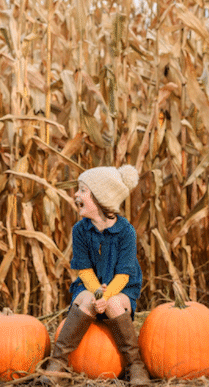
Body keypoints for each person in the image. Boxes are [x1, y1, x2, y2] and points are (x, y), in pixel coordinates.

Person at [42, 164, 149, 385]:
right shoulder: (80, 230)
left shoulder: (126, 232)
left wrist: (107, 296)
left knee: (114, 306)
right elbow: (85, 270)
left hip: (120, 290)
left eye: (83, 190)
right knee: (89, 301)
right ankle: (58, 363)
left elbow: (124, 275)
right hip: (89, 288)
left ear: (101, 198)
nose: (76, 195)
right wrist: (98, 295)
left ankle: (134, 365)